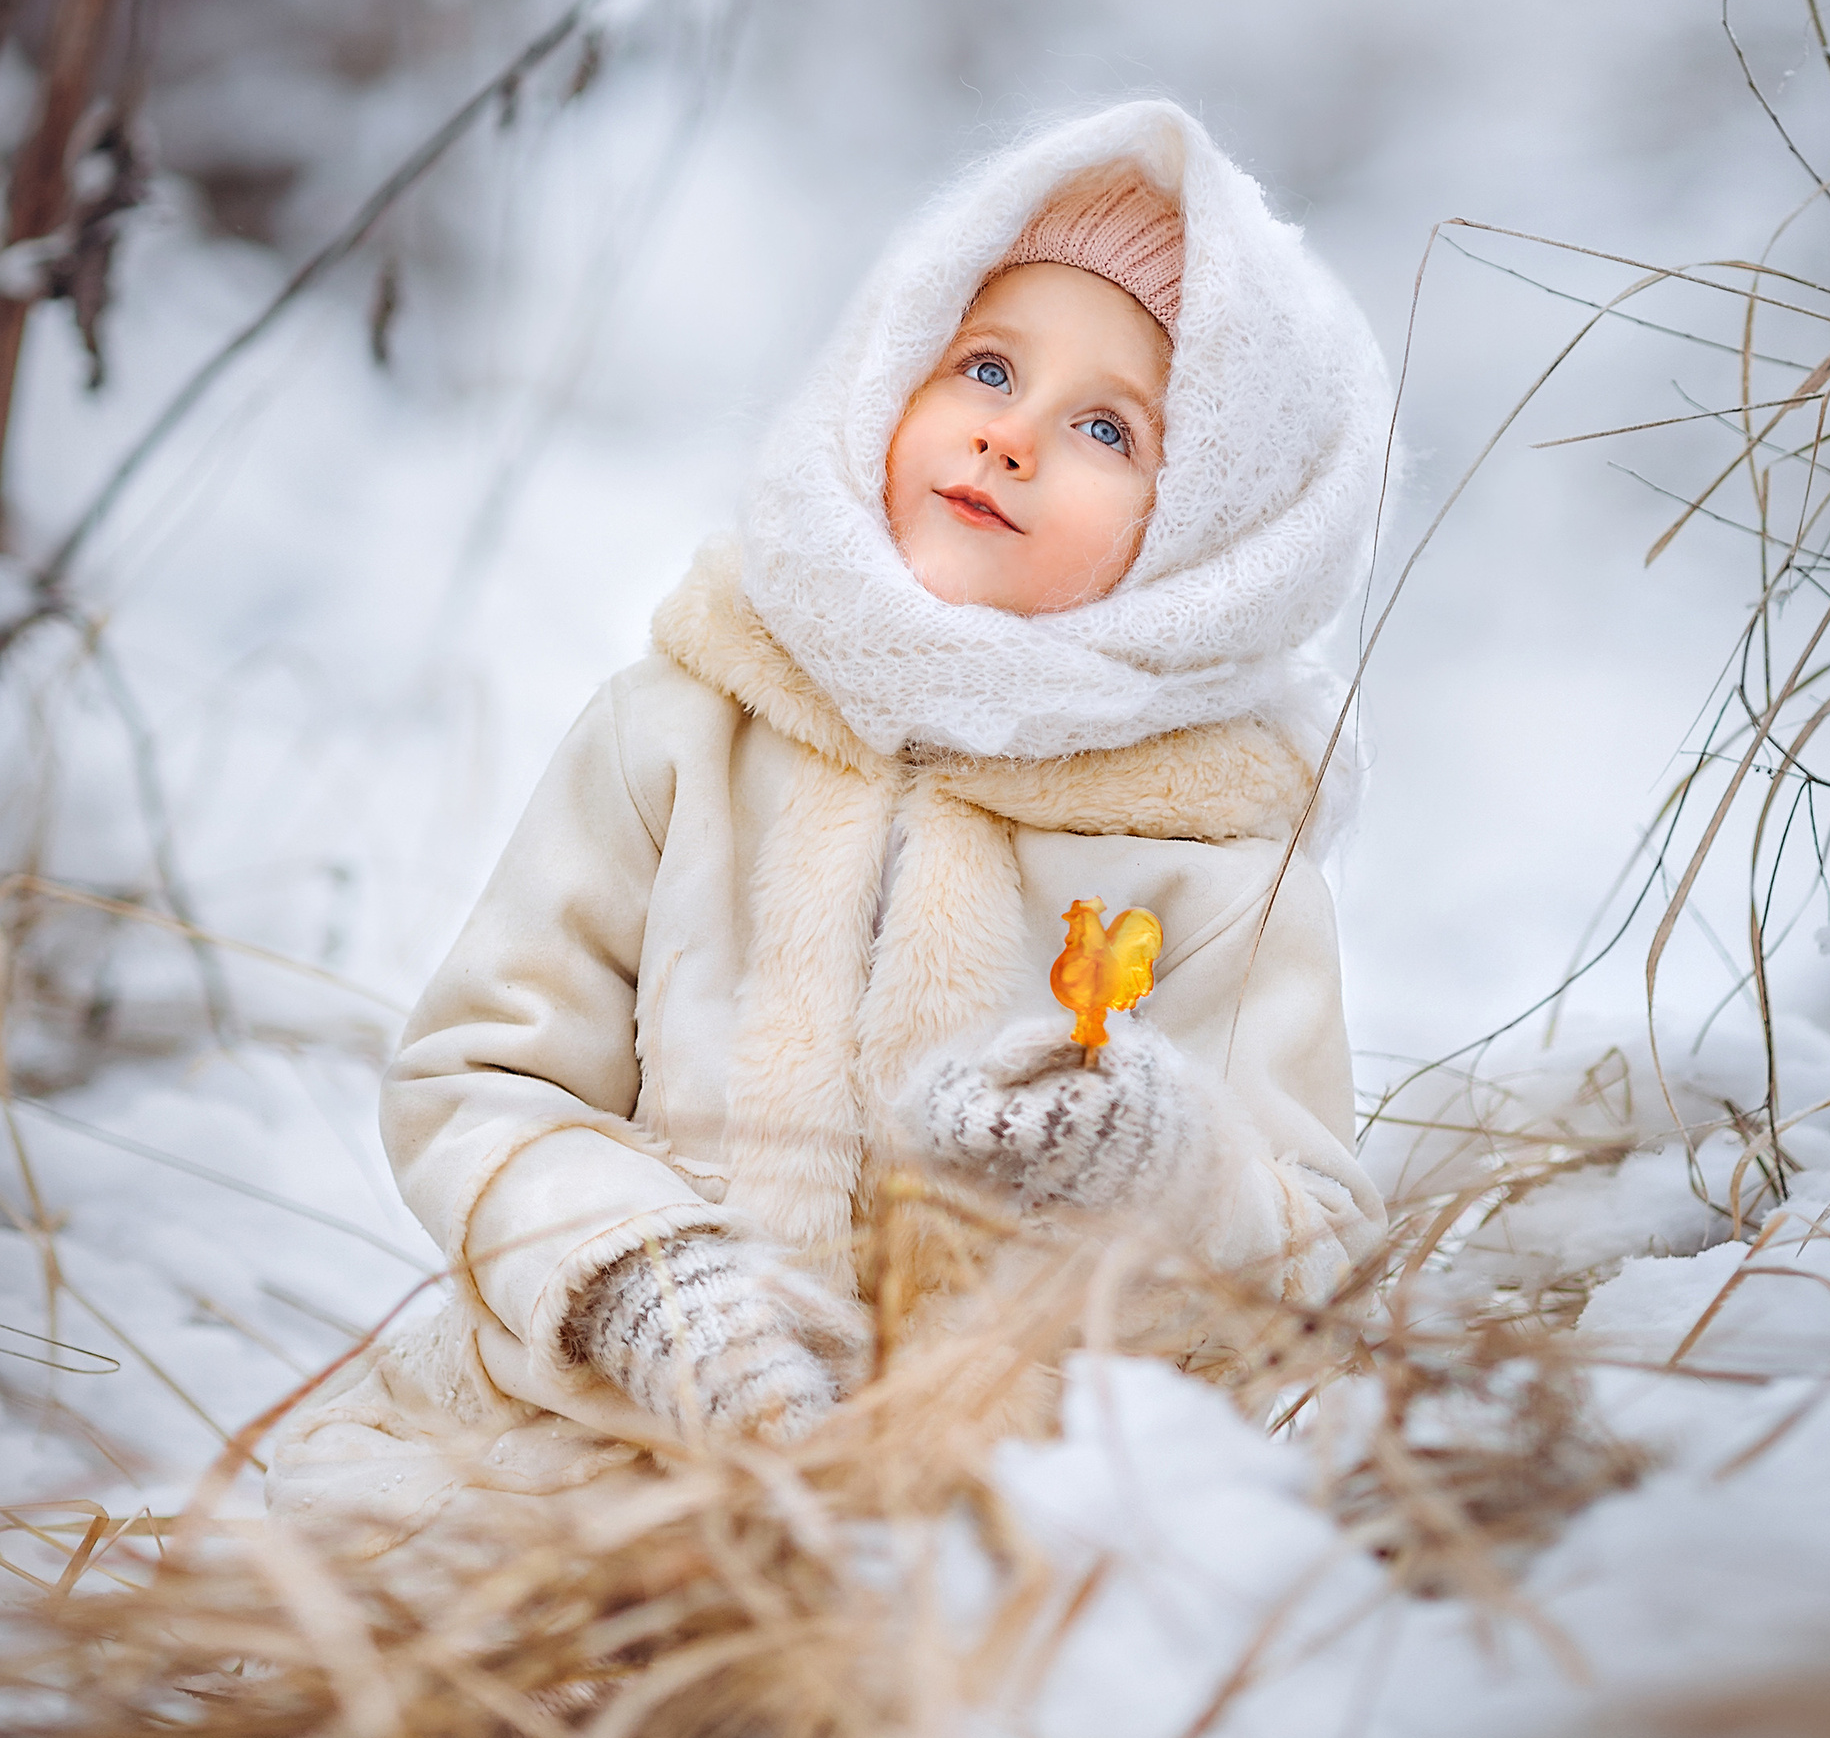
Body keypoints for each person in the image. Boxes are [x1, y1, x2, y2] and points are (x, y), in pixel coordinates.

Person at [267, 101, 1391, 1549]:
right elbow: (480, 1080)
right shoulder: (683, 724)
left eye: (1106, 427)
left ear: (1208, 542)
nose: (1012, 433)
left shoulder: (1217, 851)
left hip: (992, 1507)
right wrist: (632, 1276)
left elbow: (1310, 1246)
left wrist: (1163, 1170)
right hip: (598, 1444)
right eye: (986, 365)